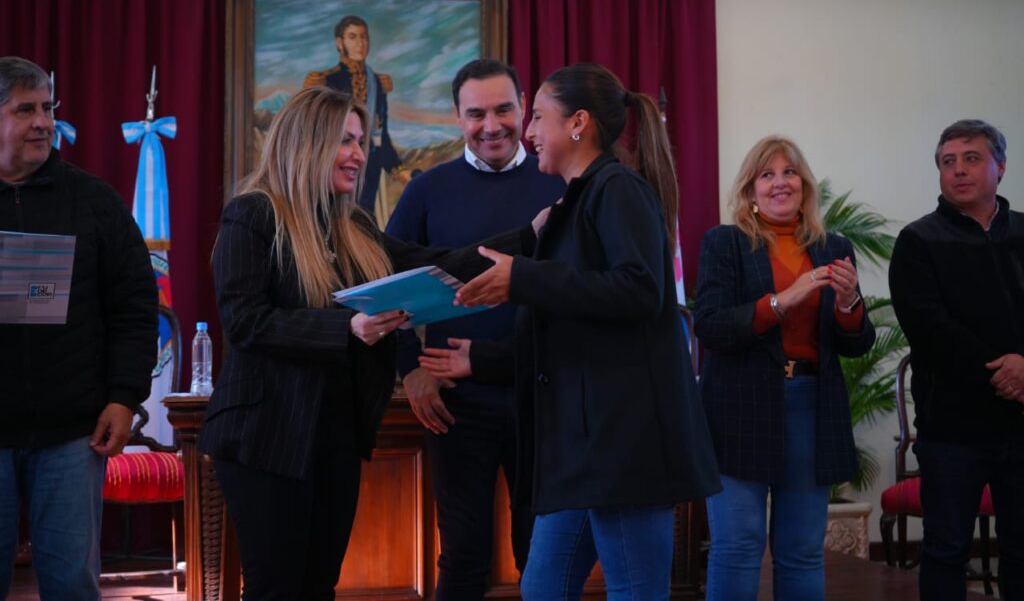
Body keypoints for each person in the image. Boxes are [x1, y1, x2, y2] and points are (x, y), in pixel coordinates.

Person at [198, 85, 537, 600]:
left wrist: (530, 236)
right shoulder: (252, 214)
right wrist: (346, 327)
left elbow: (436, 265)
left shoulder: (353, 224)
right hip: (265, 437)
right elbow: (246, 322)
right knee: (275, 590)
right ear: (307, 143)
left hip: (335, 432)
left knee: (320, 587)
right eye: (346, 141)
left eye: (360, 141)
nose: (359, 154)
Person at [424, 62, 720, 599]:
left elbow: (638, 290)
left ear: (578, 123)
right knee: (542, 587)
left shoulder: (617, 189)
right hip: (584, 449)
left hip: (624, 447)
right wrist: (487, 350)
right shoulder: (581, 197)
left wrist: (523, 277)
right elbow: (570, 325)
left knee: (634, 591)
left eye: (538, 116)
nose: (529, 131)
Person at [386, 58, 563, 598]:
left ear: (525, 106)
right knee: (463, 556)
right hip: (456, 406)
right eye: (476, 114)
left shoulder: (560, 181)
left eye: (504, 110)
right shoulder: (426, 190)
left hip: (545, 397)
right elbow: (384, 287)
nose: (492, 126)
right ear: (457, 117)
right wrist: (411, 369)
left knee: (544, 555)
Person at [0, 56, 157, 600]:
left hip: (73, 434)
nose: (44, 122)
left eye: (48, 108)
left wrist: (124, 396)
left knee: (72, 585)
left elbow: (136, 305)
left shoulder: (94, 201)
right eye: (26, 110)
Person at [694, 136, 876, 601]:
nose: (780, 183)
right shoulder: (725, 243)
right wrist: (782, 301)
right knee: (739, 545)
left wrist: (849, 302)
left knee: (802, 551)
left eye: (789, 172)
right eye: (767, 174)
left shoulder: (833, 247)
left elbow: (856, 343)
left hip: (810, 406)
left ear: (805, 185)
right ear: (750, 189)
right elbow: (711, 326)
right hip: (738, 407)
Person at [889, 119, 1023, 601]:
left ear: (1000, 167)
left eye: (972, 159)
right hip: (952, 428)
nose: (959, 170)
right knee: (946, 552)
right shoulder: (918, 240)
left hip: (1022, 422)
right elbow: (929, 328)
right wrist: (1006, 370)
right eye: (949, 162)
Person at [304, 15, 402, 218]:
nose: (360, 43)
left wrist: (398, 170)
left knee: (364, 223)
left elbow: (380, 134)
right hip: (333, 168)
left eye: (364, 36)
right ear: (340, 43)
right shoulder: (325, 81)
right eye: (353, 36)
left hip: (370, 168)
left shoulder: (378, 83)